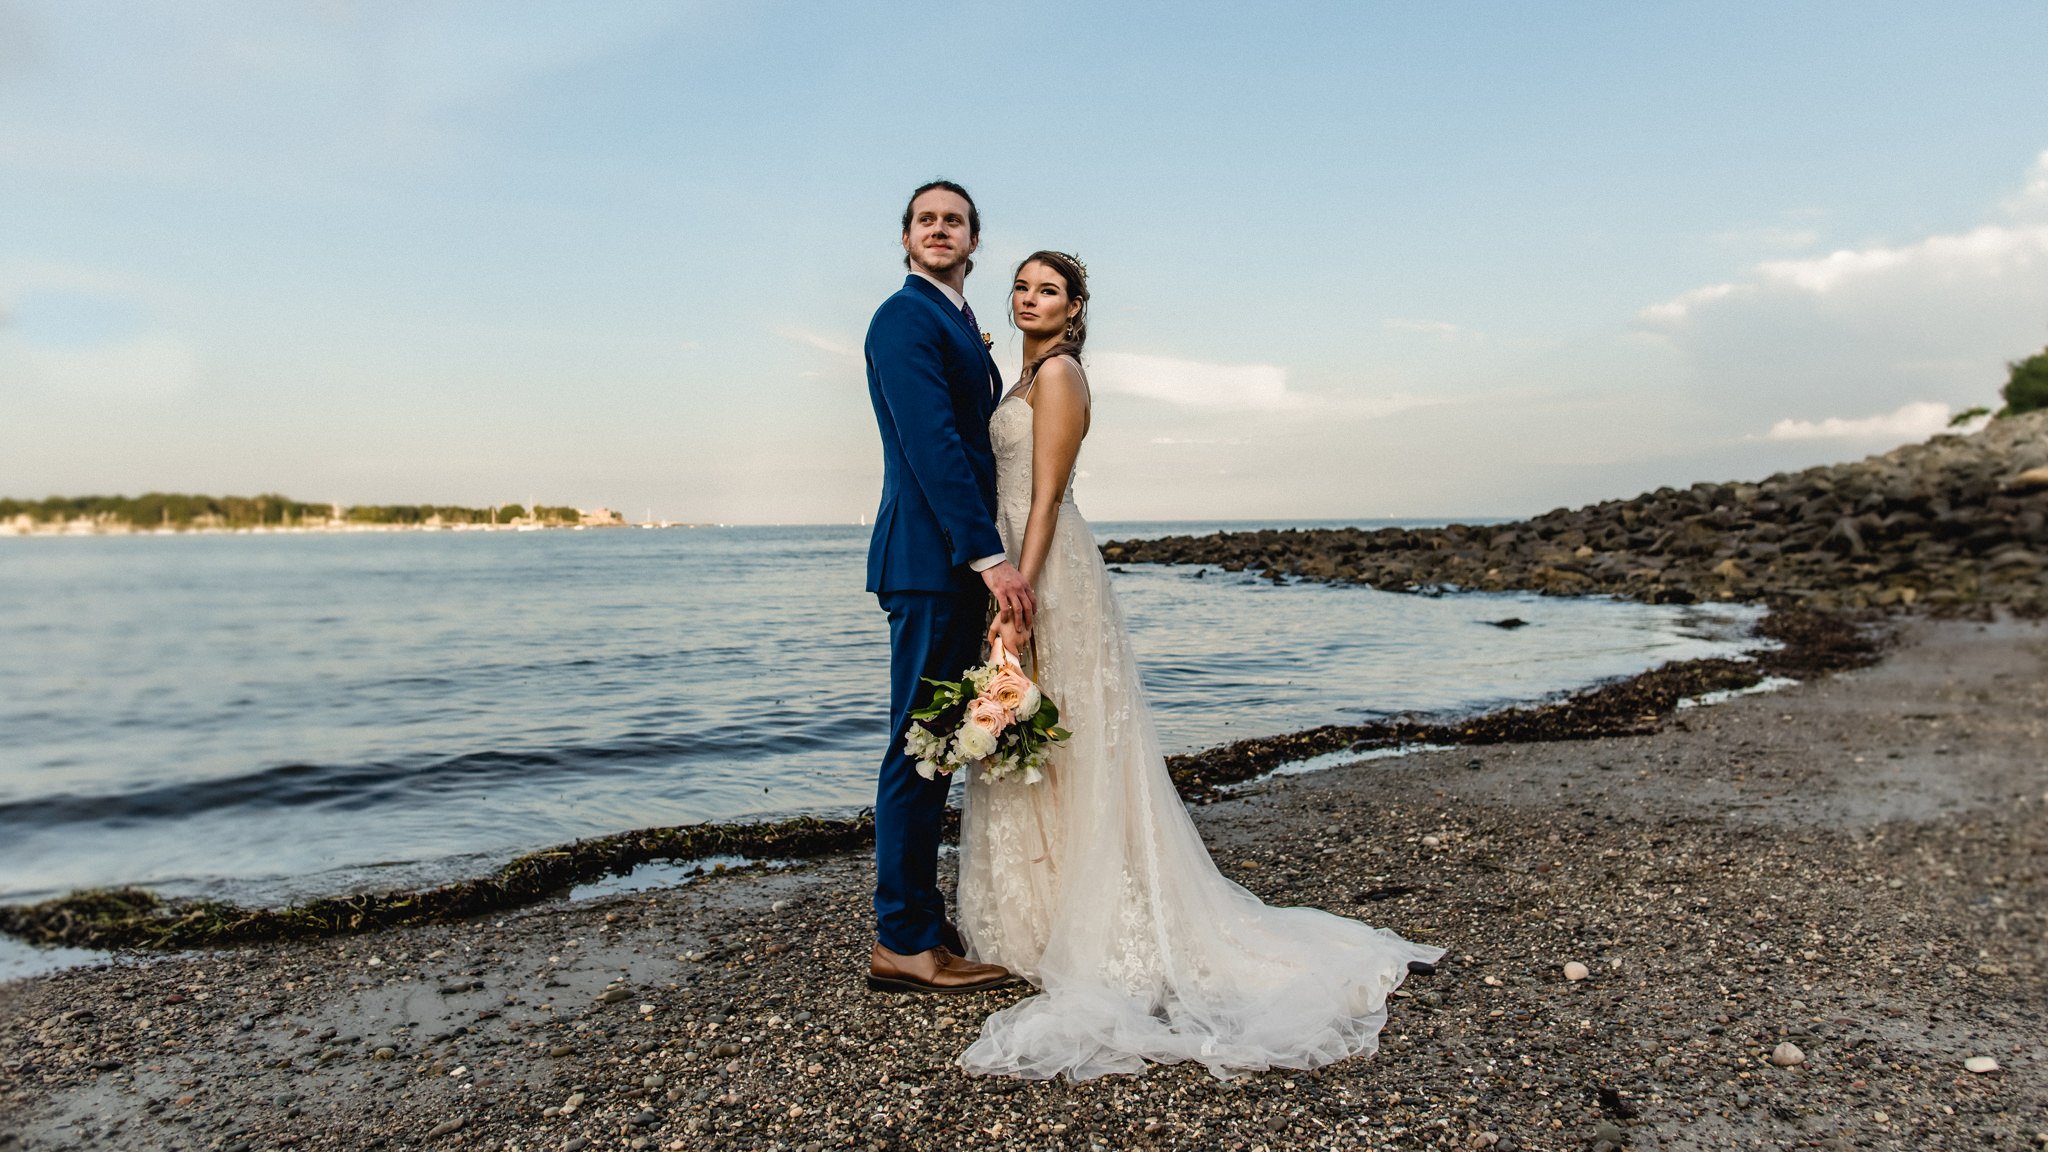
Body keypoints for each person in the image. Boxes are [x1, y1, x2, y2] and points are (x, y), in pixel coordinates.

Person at [954, 250, 1445, 1079]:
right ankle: (1038, 916)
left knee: (1067, 735)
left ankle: (1095, 920)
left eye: (1048, 289)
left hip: (1046, 568)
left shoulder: (1063, 375)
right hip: (1016, 559)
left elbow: (1045, 496)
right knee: (1034, 733)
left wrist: (1020, 596)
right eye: (1022, 286)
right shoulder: (1022, 379)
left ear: (1074, 309)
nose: (1028, 297)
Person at [861, 180, 1034, 994]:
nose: (939, 229)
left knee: (939, 741)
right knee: (919, 747)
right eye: (925, 219)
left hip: (949, 562)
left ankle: (921, 922)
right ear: (906, 240)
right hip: (933, 562)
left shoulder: (957, 321)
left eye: (954, 220)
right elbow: (933, 444)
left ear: (973, 241)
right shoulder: (904, 317)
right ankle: (903, 939)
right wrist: (989, 556)